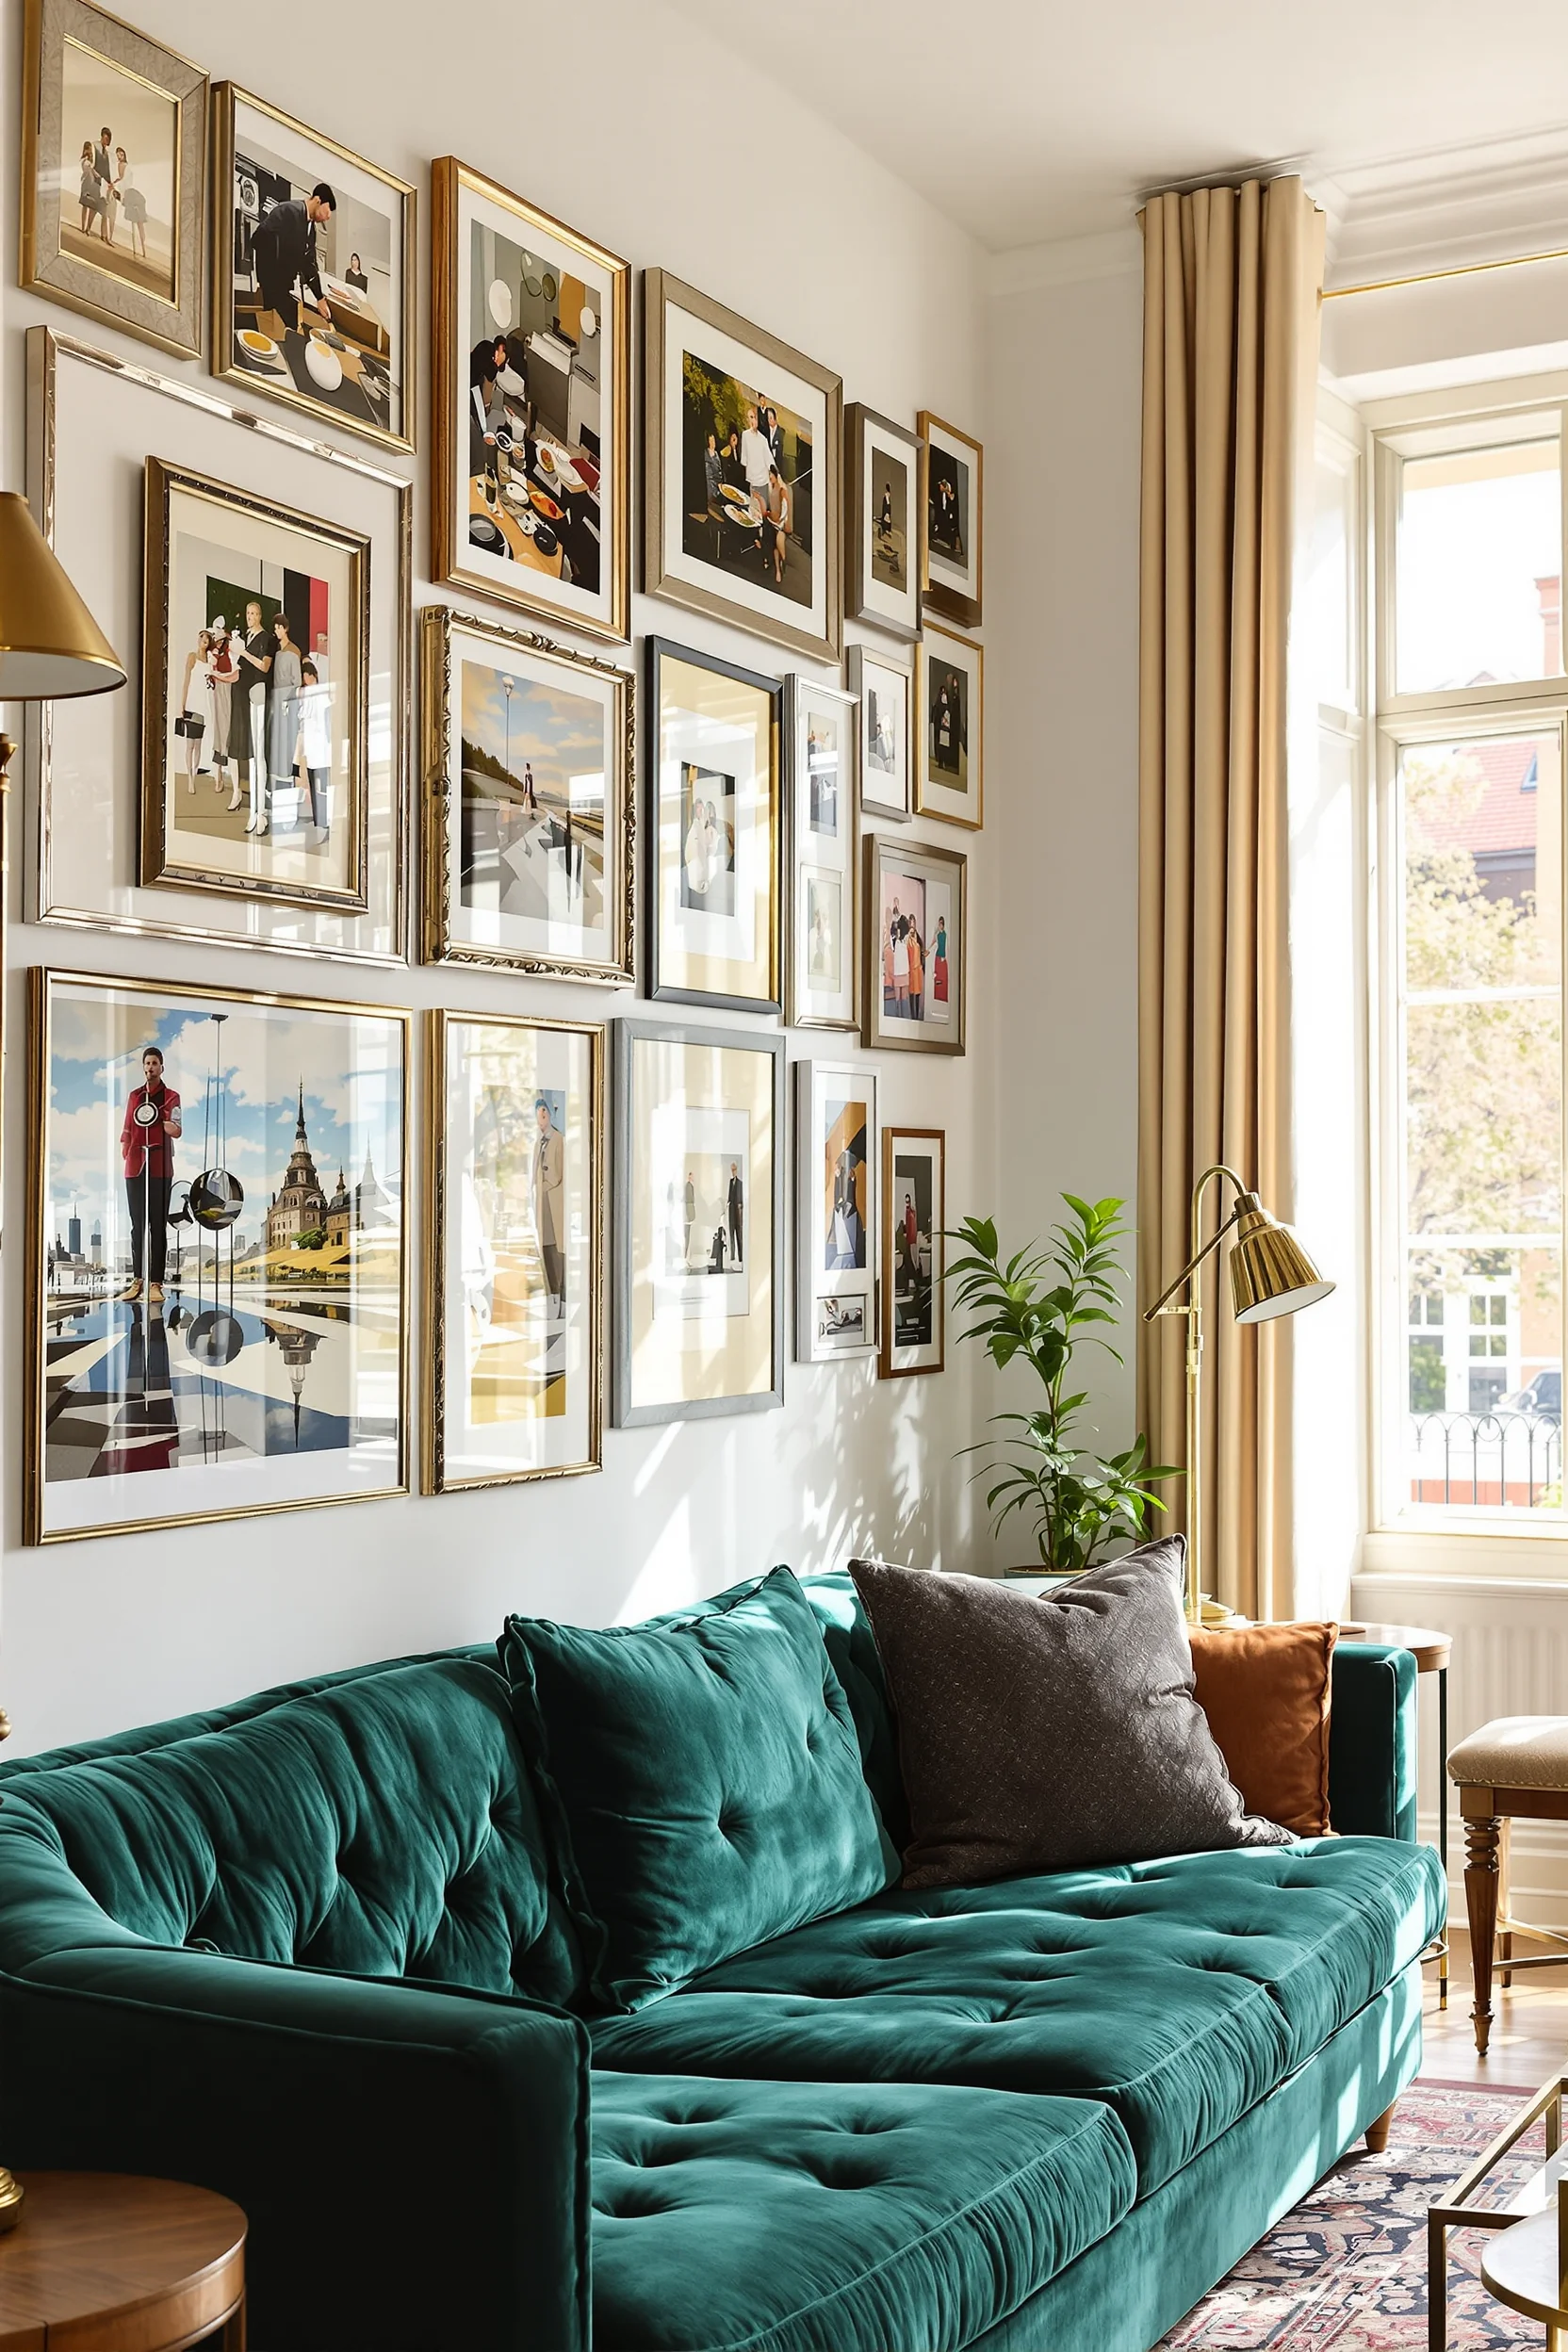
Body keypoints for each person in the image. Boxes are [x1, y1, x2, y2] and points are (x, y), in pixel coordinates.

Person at [121, 1044, 181, 1304]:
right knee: (138, 1227)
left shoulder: (171, 1096)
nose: (150, 1067)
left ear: (161, 1067)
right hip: (135, 1167)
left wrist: (158, 1119)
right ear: (143, 1067)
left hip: (160, 1167)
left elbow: (176, 1130)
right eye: (147, 1063)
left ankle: (156, 1283)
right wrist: (127, 1151)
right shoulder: (134, 1096)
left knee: (158, 1226)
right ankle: (138, 1281)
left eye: (155, 1063)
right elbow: (126, 1128)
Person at [252, 182, 335, 327]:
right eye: (327, 210)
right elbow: (259, 238)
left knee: (290, 325)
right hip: (273, 283)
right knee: (279, 326)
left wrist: (320, 298)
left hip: (285, 286)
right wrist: (270, 277)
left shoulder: (311, 229)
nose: (327, 217)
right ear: (318, 200)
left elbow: (309, 264)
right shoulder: (288, 211)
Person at [232, 598, 272, 827]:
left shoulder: (265, 638)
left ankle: (261, 813)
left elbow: (264, 666)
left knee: (259, 752)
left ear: (260, 616)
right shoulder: (245, 637)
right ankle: (254, 812)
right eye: (248, 613)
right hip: (245, 694)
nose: (250, 617)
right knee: (251, 753)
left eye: (254, 613)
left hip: (258, 692)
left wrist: (243, 654)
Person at [264, 612, 302, 836]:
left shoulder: (293, 652)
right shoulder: (277, 653)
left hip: (287, 704)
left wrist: (289, 702)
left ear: (285, 628)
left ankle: (288, 810)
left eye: (279, 627)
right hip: (276, 702)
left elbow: (296, 683)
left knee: (286, 755)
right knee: (276, 752)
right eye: (275, 627)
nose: (277, 631)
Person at [531, 1097, 565, 1315]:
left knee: (556, 1249)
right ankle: (551, 1296)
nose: (541, 1117)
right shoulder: (538, 1142)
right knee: (544, 1247)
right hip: (541, 1202)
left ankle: (560, 1297)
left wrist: (544, 1180)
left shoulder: (558, 1140)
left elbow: (557, 1173)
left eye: (544, 1113)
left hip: (554, 1200)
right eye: (538, 1113)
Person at [295, 659, 332, 844]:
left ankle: (325, 824)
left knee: (322, 788)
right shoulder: (308, 694)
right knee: (313, 783)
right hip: (312, 747)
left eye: (306, 677)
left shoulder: (320, 693)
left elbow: (325, 718)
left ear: (312, 676)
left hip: (321, 748)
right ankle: (319, 822)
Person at [175, 629, 214, 792]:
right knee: (189, 744)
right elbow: (186, 681)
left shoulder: (209, 660)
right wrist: (182, 704)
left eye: (206, 640)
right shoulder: (192, 657)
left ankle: (195, 773)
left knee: (198, 744)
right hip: (191, 704)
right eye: (201, 638)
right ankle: (190, 778)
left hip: (202, 706)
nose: (202, 642)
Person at [206, 619, 235, 792]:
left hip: (227, 689)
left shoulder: (230, 649)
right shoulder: (213, 652)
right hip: (216, 691)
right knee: (218, 729)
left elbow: (233, 672)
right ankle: (218, 774)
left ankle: (228, 773)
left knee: (226, 728)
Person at [764, 465, 791, 586]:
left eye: (771, 476)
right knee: (774, 546)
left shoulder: (781, 488)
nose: (770, 478)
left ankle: (783, 562)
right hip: (772, 519)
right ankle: (778, 569)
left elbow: (785, 505)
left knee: (779, 544)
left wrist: (781, 520)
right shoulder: (771, 487)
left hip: (779, 522)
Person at [77, 141, 106, 238]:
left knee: (93, 207)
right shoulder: (85, 160)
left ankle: (88, 227)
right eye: (88, 149)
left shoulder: (94, 160)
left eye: (90, 149)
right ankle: (83, 227)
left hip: (94, 185)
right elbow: (87, 170)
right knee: (85, 206)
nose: (89, 151)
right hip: (87, 184)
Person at [92, 128, 113, 241]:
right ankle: (87, 228)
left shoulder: (106, 153)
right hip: (94, 181)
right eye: (105, 138)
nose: (106, 140)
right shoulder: (95, 146)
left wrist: (110, 182)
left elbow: (107, 170)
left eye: (108, 139)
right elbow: (92, 163)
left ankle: (104, 236)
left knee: (103, 210)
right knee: (93, 208)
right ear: (102, 136)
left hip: (102, 183)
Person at [891, 909, 909, 1014]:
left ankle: (898, 1016)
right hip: (904, 971)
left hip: (898, 971)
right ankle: (904, 1018)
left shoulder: (896, 941)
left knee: (898, 999)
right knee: (904, 998)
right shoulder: (906, 939)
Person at [906, 917, 924, 1021]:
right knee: (911, 993)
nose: (912, 924)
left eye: (914, 922)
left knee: (917, 993)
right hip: (910, 969)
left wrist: (922, 964)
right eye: (911, 922)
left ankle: (917, 1016)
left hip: (917, 969)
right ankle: (912, 1016)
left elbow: (922, 950)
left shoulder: (917, 937)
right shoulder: (908, 938)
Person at [727, 1161, 743, 1269]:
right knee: (731, 1233)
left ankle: (741, 1257)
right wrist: (728, 1203)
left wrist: (740, 1205)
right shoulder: (730, 1181)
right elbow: (730, 1196)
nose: (733, 1172)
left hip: (738, 1212)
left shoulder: (740, 1183)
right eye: (732, 1170)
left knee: (739, 1235)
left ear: (736, 1170)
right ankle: (732, 1256)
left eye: (734, 1170)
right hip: (731, 1210)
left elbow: (741, 1197)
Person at [703, 431, 723, 513]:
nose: (713, 443)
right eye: (711, 441)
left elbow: (719, 469)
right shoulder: (706, 454)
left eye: (714, 440)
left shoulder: (716, 453)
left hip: (717, 481)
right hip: (710, 483)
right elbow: (708, 473)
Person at [932, 916, 949, 1004]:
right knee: (937, 978)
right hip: (938, 958)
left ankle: (943, 997)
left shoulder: (945, 935)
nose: (940, 925)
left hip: (943, 959)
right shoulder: (937, 935)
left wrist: (945, 957)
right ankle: (937, 996)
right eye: (939, 924)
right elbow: (933, 944)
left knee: (943, 979)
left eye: (941, 924)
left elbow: (946, 947)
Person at [683, 1171, 695, 1266]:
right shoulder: (688, 1186)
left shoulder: (690, 1186)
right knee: (687, 1237)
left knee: (688, 1237)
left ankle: (686, 1257)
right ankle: (686, 1257)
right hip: (688, 1216)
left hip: (689, 1216)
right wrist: (689, 1216)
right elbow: (688, 1201)